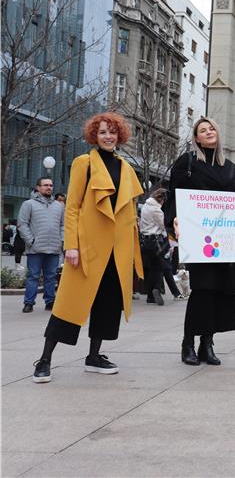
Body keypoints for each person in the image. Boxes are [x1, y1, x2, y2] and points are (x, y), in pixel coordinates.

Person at [32, 113, 144, 383]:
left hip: (117, 250)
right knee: (69, 304)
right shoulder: (84, 163)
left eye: (113, 132)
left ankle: (94, 356)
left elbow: (128, 212)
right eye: (103, 132)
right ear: (94, 135)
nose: (108, 136)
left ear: (120, 135)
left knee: (107, 305)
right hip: (87, 248)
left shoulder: (125, 167)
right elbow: (72, 207)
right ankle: (44, 359)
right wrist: (71, 245)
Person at [165, 117, 235, 366]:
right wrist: (175, 220)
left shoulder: (231, 168)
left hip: (227, 241)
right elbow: (174, 196)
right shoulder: (188, 163)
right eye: (203, 130)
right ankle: (188, 343)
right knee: (202, 292)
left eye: (211, 127)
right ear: (197, 138)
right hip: (201, 240)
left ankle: (208, 343)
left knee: (222, 292)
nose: (208, 131)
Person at [17, 177, 64, 313]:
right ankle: (29, 303)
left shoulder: (58, 206)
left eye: (50, 185)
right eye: (45, 185)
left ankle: (50, 302)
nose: (49, 187)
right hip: (35, 248)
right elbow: (22, 224)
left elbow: (63, 225)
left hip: (54, 248)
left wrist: (61, 241)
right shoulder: (28, 204)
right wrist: (31, 241)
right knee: (33, 276)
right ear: (38, 188)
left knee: (51, 277)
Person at [139, 188, 181, 305]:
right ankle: (173, 292)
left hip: (147, 242)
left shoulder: (145, 206)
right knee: (166, 267)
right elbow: (164, 225)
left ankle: (150, 296)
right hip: (157, 242)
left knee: (154, 268)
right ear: (161, 199)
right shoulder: (156, 210)